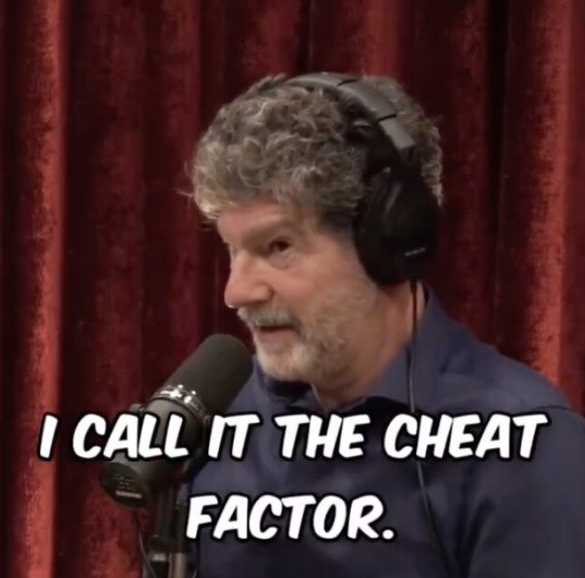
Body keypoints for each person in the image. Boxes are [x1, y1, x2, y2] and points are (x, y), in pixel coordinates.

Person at [186, 72, 585, 577]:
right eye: (232, 249)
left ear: (389, 243)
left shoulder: (528, 450)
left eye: (278, 247)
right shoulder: (223, 417)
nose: (237, 292)